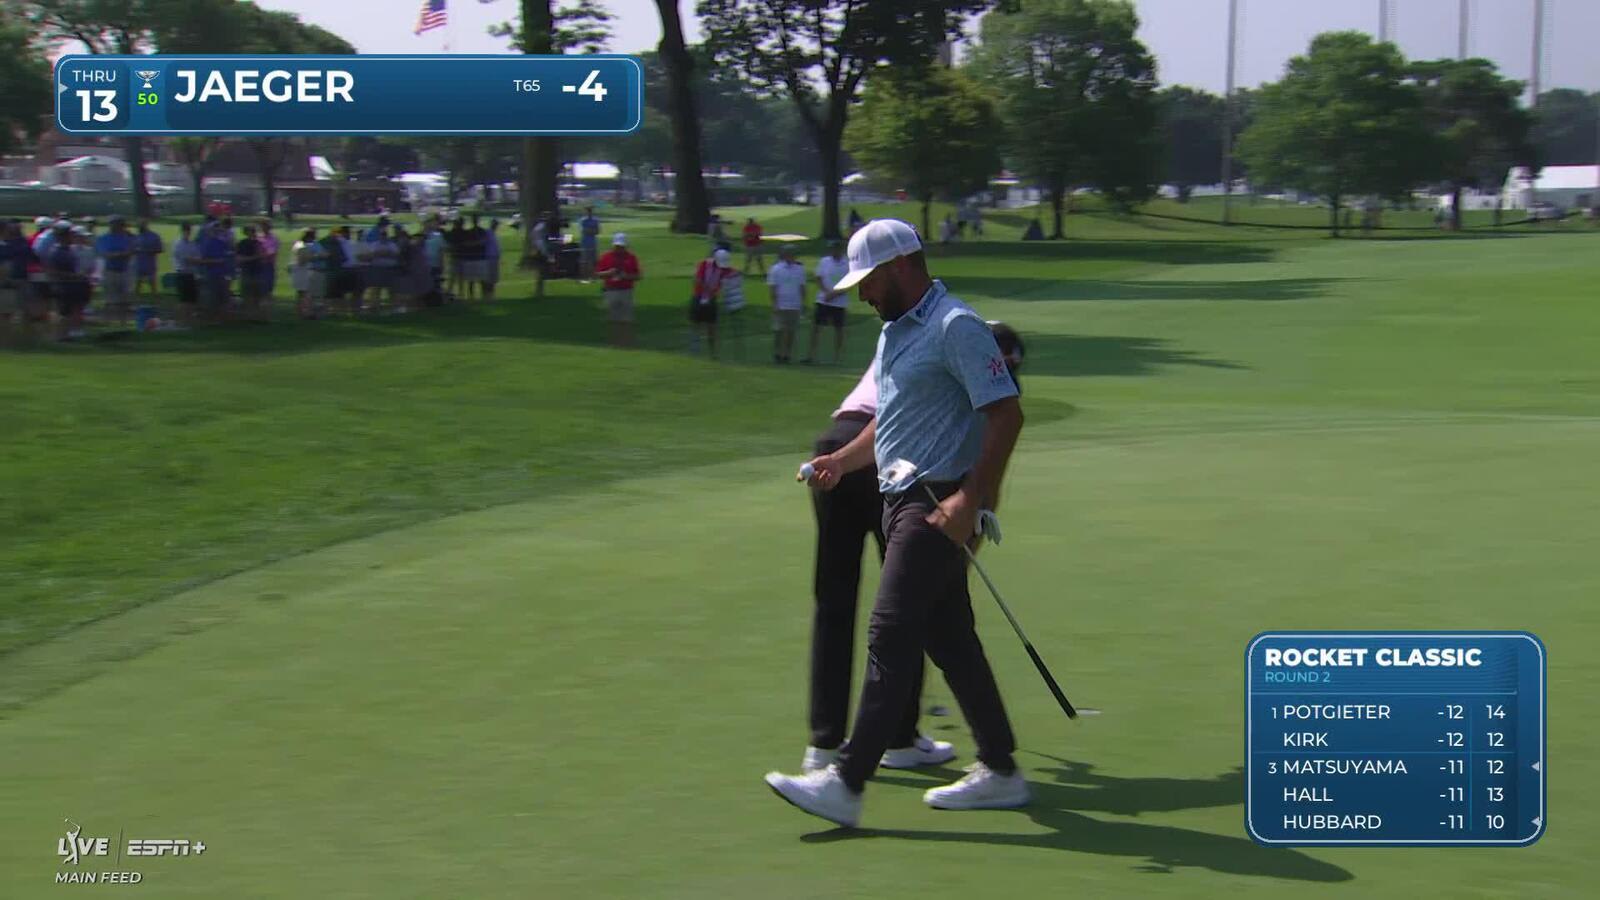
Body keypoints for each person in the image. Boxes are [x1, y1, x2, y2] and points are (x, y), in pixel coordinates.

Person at [766, 218, 1028, 827]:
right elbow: (889, 424)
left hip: (933, 503)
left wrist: (972, 497)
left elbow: (1007, 415)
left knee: (888, 631)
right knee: (950, 640)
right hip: (898, 495)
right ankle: (1002, 770)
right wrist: (840, 459)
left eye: (869, 281)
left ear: (902, 267)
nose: (861, 294)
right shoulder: (896, 333)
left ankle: (847, 782)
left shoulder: (956, 325)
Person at [797, 350, 957, 777]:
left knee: (833, 603)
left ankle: (824, 744)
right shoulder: (957, 348)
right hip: (885, 453)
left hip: (834, 441)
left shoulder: (909, 333)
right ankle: (900, 739)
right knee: (906, 602)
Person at [805, 239, 850, 365]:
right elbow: (818, 278)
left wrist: (834, 294)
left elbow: (849, 283)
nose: (833, 251)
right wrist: (826, 292)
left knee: (839, 330)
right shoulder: (824, 261)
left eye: (836, 248)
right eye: (832, 249)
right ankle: (812, 355)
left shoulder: (847, 264)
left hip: (839, 302)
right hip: (823, 300)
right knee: (816, 328)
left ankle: (838, 357)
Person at [595, 232, 640, 348]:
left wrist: (626, 276)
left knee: (626, 319)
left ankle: (626, 342)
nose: (619, 249)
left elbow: (637, 276)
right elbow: (598, 274)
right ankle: (614, 342)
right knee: (613, 318)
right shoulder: (606, 257)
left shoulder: (631, 257)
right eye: (617, 246)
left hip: (626, 290)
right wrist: (608, 273)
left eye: (621, 247)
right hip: (611, 290)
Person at [46, 227, 89, 341]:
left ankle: (66, 334)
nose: (72, 238)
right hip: (61, 286)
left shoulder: (69, 250)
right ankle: (58, 335)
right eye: (70, 236)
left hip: (71, 285)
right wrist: (72, 276)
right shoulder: (56, 252)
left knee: (69, 312)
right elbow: (52, 271)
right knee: (62, 312)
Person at [766, 244, 806, 364]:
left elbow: (802, 287)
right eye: (789, 254)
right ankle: (777, 353)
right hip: (781, 304)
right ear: (784, 255)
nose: (792, 256)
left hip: (794, 304)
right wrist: (774, 304)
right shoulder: (776, 269)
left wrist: (803, 303)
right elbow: (773, 288)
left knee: (791, 331)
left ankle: (787, 354)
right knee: (779, 330)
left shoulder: (799, 269)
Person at [95, 215, 136, 327]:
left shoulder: (127, 238)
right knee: (110, 301)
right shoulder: (104, 238)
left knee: (124, 301)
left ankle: (123, 323)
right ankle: (106, 323)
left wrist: (118, 254)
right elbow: (106, 254)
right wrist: (121, 254)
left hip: (124, 270)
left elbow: (131, 251)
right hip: (110, 271)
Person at [689, 247, 723, 359]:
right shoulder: (703, 265)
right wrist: (708, 289)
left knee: (712, 327)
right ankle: (695, 351)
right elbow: (697, 279)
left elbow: (720, 284)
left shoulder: (721, 269)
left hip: (711, 299)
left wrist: (714, 292)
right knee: (696, 325)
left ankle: (713, 353)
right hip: (699, 297)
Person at [197, 221, 233, 322]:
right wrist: (216, 261)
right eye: (214, 228)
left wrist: (228, 273)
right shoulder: (207, 244)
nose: (217, 230)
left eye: (218, 228)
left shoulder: (222, 243)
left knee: (224, 297)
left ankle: (222, 319)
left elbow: (228, 257)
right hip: (211, 274)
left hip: (223, 274)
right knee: (213, 298)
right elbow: (202, 260)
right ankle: (211, 319)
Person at [714, 248, 745, 354]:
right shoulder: (737, 273)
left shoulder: (720, 275)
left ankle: (717, 351)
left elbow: (720, 292)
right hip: (739, 303)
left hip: (727, 304)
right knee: (737, 328)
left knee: (719, 328)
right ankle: (739, 350)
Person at [170, 222, 202, 325]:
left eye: (189, 230)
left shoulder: (191, 244)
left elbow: (198, 257)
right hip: (182, 274)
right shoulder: (178, 244)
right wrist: (194, 260)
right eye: (186, 230)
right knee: (183, 301)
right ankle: (179, 321)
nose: (188, 233)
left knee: (192, 300)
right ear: (183, 231)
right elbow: (186, 259)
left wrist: (194, 260)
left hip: (191, 274)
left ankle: (189, 321)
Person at [235, 223, 268, 320]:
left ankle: (256, 315)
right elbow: (239, 259)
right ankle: (249, 315)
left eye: (254, 231)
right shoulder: (242, 244)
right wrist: (255, 257)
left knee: (257, 296)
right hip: (247, 272)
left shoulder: (259, 243)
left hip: (257, 271)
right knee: (247, 296)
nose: (253, 233)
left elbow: (264, 256)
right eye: (251, 231)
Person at [290, 227, 320, 318]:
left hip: (300, 270)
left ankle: (300, 311)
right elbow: (302, 260)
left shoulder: (299, 244)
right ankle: (306, 312)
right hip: (302, 271)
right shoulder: (302, 245)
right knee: (305, 292)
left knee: (301, 293)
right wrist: (315, 256)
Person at [133, 220, 162, 299]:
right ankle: (137, 298)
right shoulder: (137, 236)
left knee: (152, 282)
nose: (139, 227)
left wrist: (149, 250)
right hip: (139, 263)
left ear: (145, 225)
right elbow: (132, 249)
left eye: (141, 225)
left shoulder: (154, 236)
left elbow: (159, 249)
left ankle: (155, 298)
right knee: (138, 282)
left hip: (150, 263)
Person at [257, 219, 280, 314]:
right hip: (259, 266)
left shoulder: (273, 239)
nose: (264, 228)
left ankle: (267, 311)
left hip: (268, 266)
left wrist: (261, 255)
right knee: (259, 290)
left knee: (268, 290)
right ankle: (260, 311)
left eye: (266, 226)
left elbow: (271, 253)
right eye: (263, 226)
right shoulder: (258, 238)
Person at [579, 206, 601, 280]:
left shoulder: (595, 220)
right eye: (588, 211)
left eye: (590, 211)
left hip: (593, 242)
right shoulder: (583, 220)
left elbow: (597, 231)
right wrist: (592, 230)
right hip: (585, 242)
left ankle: (593, 275)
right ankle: (584, 275)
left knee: (594, 260)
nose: (589, 213)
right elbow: (584, 231)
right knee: (585, 260)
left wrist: (590, 230)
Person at [482, 218, 502, 302]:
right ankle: (486, 296)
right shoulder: (488, 233)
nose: (497, 226)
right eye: (496, 224)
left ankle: (492, 295)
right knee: (488, 278)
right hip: (489, 258)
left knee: (493, 278)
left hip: (495, 258)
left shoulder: (494, 234)